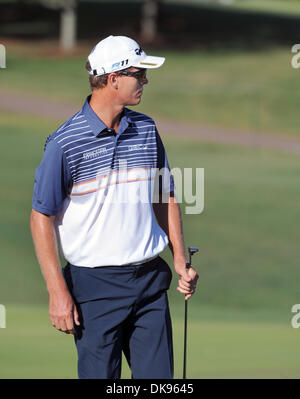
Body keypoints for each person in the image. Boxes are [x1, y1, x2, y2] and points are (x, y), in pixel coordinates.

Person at [30, 35, 199, 379]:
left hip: (149, 282)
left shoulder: (147, 129)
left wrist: (179, 258)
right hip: (95, 288)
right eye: (139, 73)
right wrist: (57, 292)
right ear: (113, 78)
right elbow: (41, 216)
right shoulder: (65, 142)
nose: (145, 80)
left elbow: (163, 195)